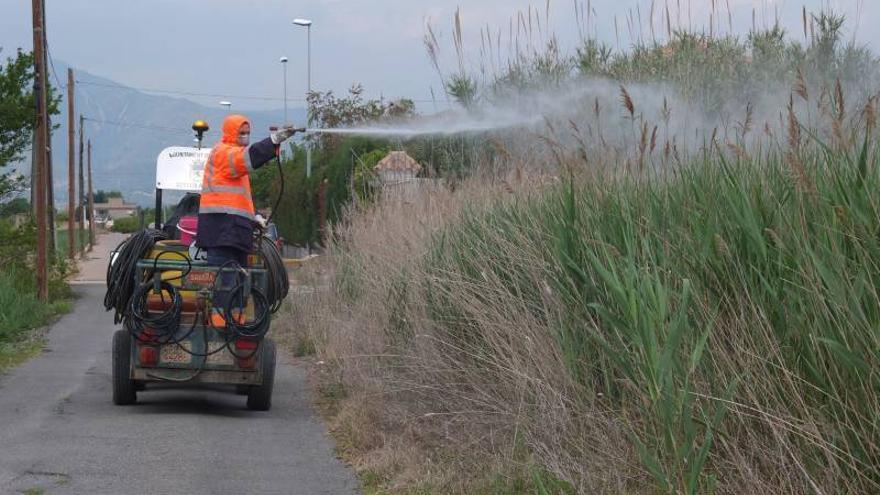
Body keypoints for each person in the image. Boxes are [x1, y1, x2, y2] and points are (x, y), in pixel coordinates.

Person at [197, 114, 296, 327]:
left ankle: (237, 325)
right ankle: (221, 327)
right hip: (221, 233)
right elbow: (248, 158)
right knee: (225, 284)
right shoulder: (223, 153)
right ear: (231, 133)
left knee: (239, 284)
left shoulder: (235, 163)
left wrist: (254, 218)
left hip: (234, 233)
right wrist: (274, 140)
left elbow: (235, 202)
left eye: (247, 132)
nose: (245, 136)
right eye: (241, 132)